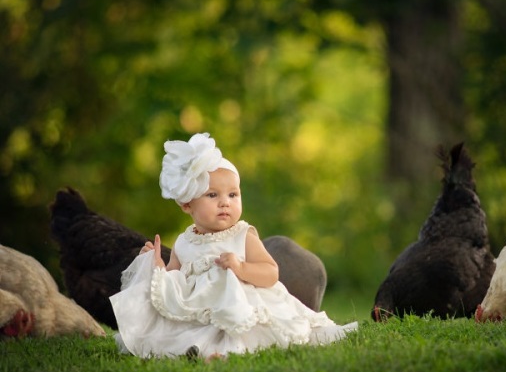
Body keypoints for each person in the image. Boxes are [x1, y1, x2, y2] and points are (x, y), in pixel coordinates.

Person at [109, 132, 357, 359]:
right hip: (203, 312)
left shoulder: (242, 235)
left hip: (242, 307)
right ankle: (202, 350)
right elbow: (176, 281)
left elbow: (271, 273)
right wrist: (158, 267)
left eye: (233, 195)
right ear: (187, 204)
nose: (225, 203)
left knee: (241, 327)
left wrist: (241, 268)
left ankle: (226, 351)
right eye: (212, 195)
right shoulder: (185, 241)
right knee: (190, 331)